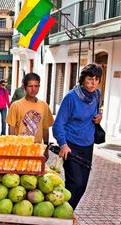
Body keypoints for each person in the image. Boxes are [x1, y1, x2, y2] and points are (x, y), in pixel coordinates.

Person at [52, 63, 103, 209]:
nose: (93, 83)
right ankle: (63, 215)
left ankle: (66, 212)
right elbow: (58, 125)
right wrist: (63, 144)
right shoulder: (71, 97)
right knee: (75, 183)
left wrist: (99, 116)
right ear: (82, 79)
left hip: (88, 145)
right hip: (70, 145)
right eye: (89, 79)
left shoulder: (97, 95)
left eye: (96, 79)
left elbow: (98, 111)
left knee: (82, 186)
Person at [6, 73, 54, 160]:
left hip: (37, 150)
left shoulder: (44, 106)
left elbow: (45, 128)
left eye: (36, 86)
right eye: (30, 86)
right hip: (20, 150)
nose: (33, 89)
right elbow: (11, 128)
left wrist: (46, 148)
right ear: (24, 87)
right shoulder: (16, 105)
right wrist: (12, 148)